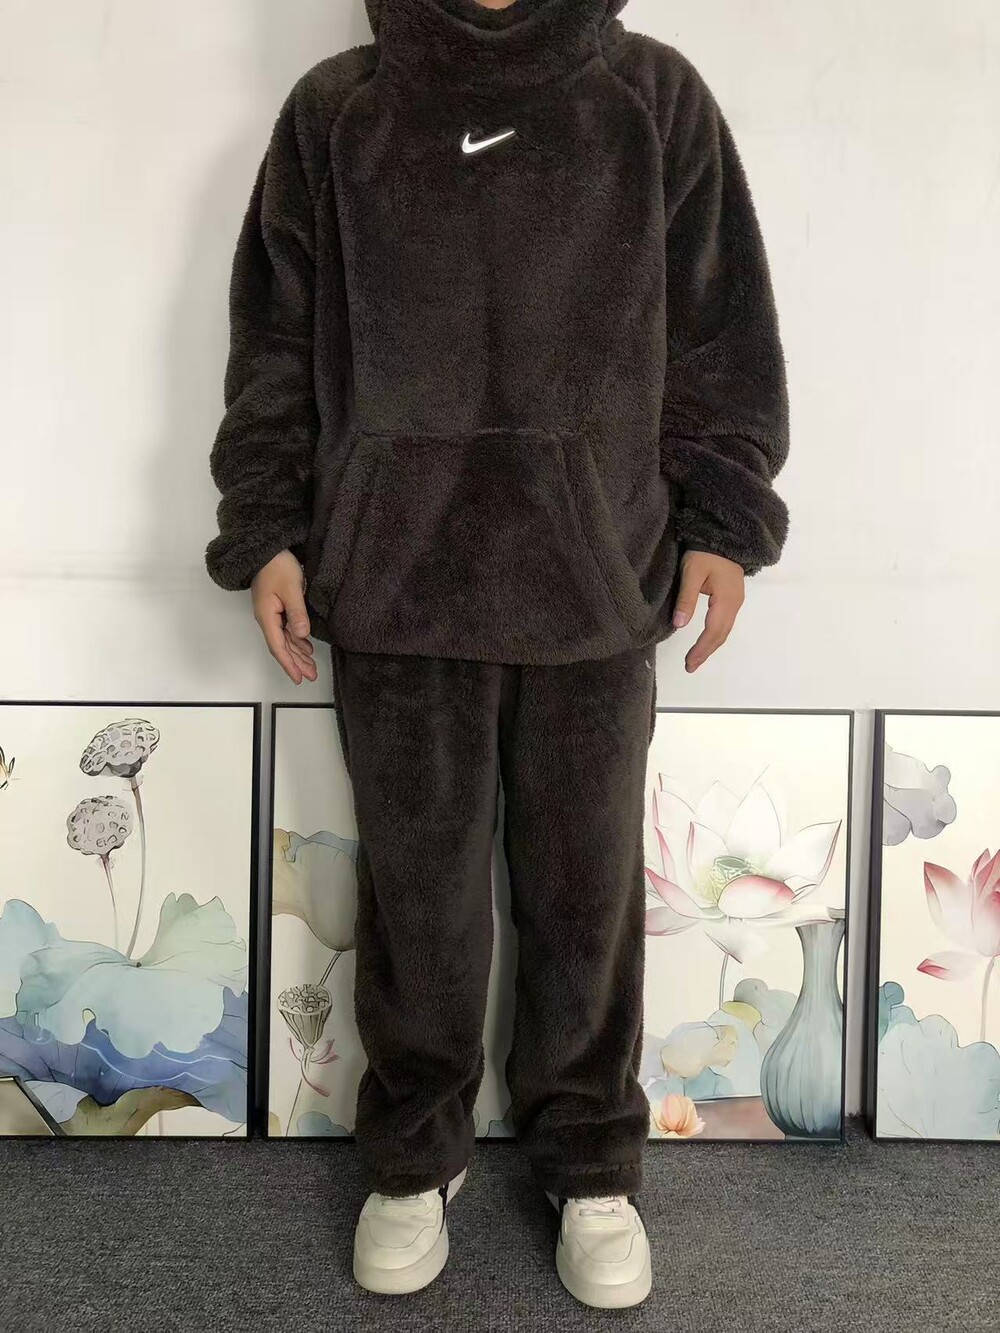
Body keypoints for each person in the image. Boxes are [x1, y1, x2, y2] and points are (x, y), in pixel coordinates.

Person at [205, 0, 790, 1309]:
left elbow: (719, 334)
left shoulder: (653, 100)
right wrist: (269, 527)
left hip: (596, 588)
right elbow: (277, 347)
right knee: (419, 898)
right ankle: (416, 1156)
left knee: (587, 898)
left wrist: (723, 521)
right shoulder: (337, 114)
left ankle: (591, 1165)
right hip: (395, 589)